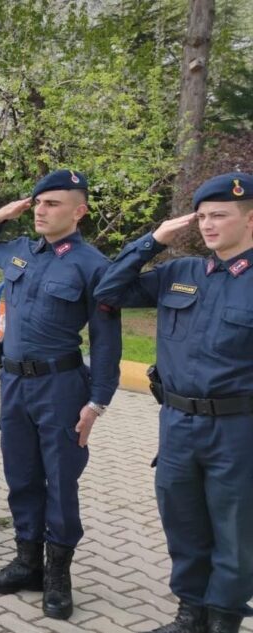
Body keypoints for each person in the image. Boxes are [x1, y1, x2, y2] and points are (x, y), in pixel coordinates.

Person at [94, 172, 253, 633]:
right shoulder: (180, 273)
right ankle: (190, 613)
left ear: (250, 219)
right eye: (201, 216)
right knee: (181, 520)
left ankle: (224, 619)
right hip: (178, 422)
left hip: (238, 428)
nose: (207, 225)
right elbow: (108, 292)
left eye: (219, 215)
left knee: (236, 529)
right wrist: (152, 241)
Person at [0, 169, 122, 620]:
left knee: (60, 481)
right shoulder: (20, 250)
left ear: (79, 212)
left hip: (60, 387)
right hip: (14, 384)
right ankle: (27, 563)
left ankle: (58, 576)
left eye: (52, 204)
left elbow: (106, 340)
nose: (40, 210)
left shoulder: (93, 265)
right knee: (20, 475)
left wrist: (98, 401)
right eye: (38, 202)